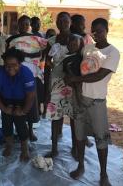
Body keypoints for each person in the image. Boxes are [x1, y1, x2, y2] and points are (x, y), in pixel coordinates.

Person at [65, 18, 120, 186]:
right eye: (94, 31)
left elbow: (100, 75)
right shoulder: (88, 48)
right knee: (80, 136)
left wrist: (74, 78)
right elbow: (75, 61)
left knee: (101, 138)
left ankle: (104, 175)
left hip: (97, 101)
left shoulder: (113, 52)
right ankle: (81, 166)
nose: (97, 35)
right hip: (79, 98)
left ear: (107, 30)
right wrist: (70, 75)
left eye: (100, 31)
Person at [0, 48, 36, 162]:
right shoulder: (0, 72)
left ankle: (24, 149)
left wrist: (23, 111)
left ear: (20, 63)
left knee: (21, 124)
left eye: (14, 64)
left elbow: (31, 95)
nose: (10, 68)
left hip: (22, 101)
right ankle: (9, 145)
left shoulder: (26, 72)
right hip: (6, 100)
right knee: (6, 124)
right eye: (7, 65)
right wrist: (4, 109)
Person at [6, 15, 46, 141]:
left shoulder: (36, 39)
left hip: (31, 75)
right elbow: (8, 56)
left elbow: (40, 54)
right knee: (17, 103)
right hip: (16, 76)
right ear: (18, 25)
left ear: (29, 25)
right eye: (22, 24)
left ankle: (29, 131)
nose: (24, 26)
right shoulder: (12, 39)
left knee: (30, 104)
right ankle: (17, 131)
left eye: (26, 24)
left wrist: (26, 55)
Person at [44, 12, 77, 158]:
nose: (63, 23)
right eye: (60, 20)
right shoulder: (51, 41)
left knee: (73, 117)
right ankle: (54, 148)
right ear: (56, 23)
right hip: (55, 83)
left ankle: (76, 148)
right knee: (55, 116)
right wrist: (46, 89)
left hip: (72, 83)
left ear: (70, 22)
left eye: (66, 20)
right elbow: (46, 65)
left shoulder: (78, 40)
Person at [63, 34, 83, 108]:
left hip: (78, 83)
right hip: (69, 84)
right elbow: (65, 71)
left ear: (79, 45)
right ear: (67, 45)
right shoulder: (65, 58)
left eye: (75, 44)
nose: (72, 46)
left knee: (78, 101)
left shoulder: (80, 57)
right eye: (70, 44)